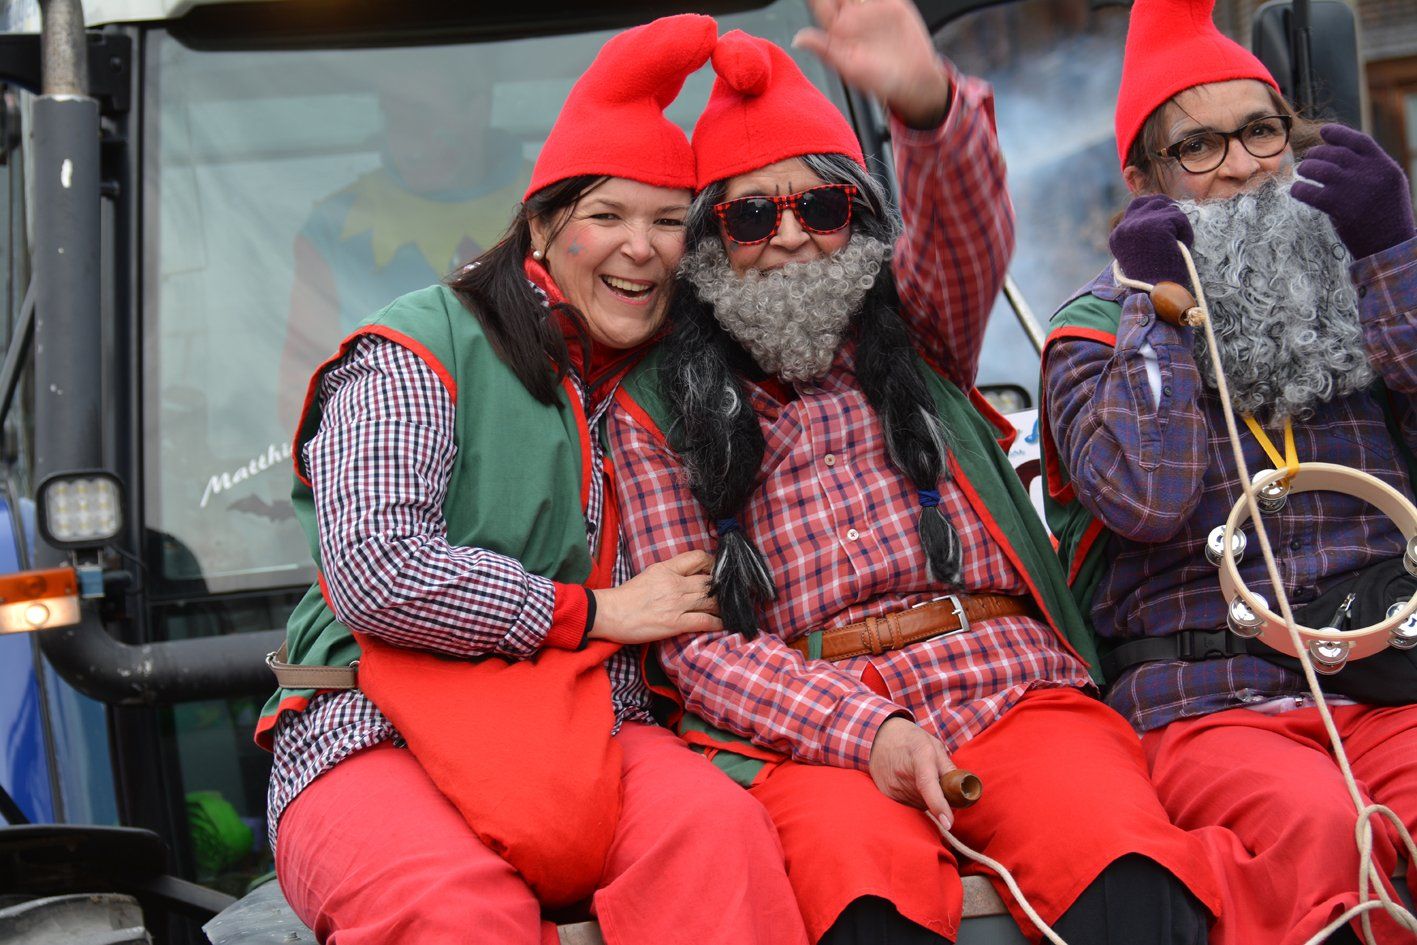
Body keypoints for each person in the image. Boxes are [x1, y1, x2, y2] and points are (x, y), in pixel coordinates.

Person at [608, 3, 1221, 943]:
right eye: (750, 215)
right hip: (808, 733)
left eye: (820, 207)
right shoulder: (654, 409)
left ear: (857, 220)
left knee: (1124, 866)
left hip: (1010, 686)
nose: (789, 236)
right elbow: (697, 644)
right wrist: (867, 731)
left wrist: (927, 105)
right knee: (859, 901)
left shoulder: (922, 326)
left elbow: (964, 230)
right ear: (706, 243)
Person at [256, 15, 810, 945]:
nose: (641, 246)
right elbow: (377, 569)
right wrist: (595, 612)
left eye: (668, 222)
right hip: (371, 723)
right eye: (608, 215)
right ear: (544, 225)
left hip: (597, 728)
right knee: (450, 914)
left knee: (723, 840)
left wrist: (924, 117)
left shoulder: (685, 378)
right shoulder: (417, 345)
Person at [1039, 0, 1417, 942]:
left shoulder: (1362, 271)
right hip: (1212, 701)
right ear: (1142, 181)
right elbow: (1147, 500)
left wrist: (1392, 250)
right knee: (1319, 831)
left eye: (1260, 131)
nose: (1245, 166)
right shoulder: (1089, 333)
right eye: (1200, 147)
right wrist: (1157, 306)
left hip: (1390, 671)